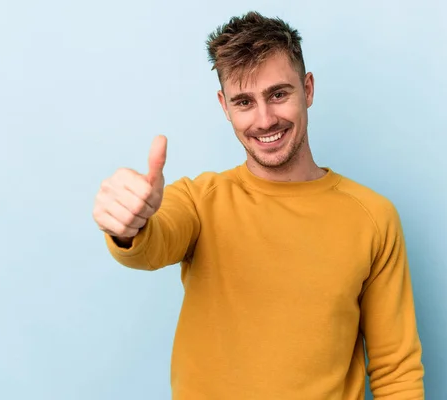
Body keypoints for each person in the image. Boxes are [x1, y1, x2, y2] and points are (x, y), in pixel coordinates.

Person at [92, 11, 425, 400]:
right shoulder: (200, 201)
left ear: (309, 89)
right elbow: (152, 243)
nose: (265, 119)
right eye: (244, 101)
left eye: (279, 94)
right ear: (224, 106)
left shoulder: (373, 216)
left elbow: (396, 371)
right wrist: (128, 225)